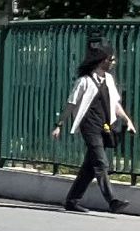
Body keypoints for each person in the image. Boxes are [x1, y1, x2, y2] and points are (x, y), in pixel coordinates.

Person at [56, 41, 134, 212]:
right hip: (88, 126)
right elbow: (71, 103)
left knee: (89, 168)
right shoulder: (84, 81)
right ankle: (112, 201)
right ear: (102, 60)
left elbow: (115, 104)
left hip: (104, 126)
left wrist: (127, 120)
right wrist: (59, 124)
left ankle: (72, 201)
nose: (114, 63)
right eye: (111, 59)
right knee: (100, 162)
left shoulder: (109, 80)